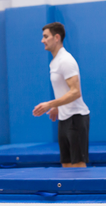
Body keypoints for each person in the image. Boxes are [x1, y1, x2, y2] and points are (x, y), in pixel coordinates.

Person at [33, 22, 90, 168]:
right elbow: (64, 90)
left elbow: (76, 92)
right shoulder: (54, 62)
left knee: (77, 166)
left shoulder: (66, 60)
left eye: (45, 37)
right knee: (66, 164)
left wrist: (50, 104)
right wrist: (58, 107)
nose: (42, 40)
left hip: (76, 118)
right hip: (64, 119)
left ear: (56, 37)